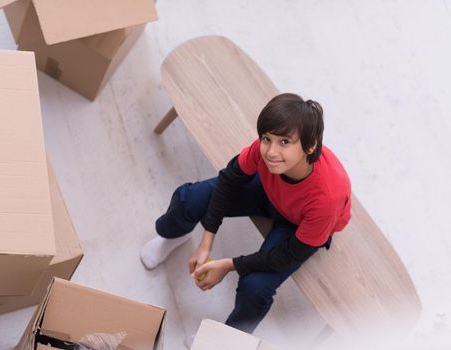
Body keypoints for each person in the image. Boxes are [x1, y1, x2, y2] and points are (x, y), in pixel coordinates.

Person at [140, 92, 351, 335]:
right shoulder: (268, 155)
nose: (271, 151)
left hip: (298, 225)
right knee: (189, 197)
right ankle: (175, 235)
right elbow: (229, 180)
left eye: (285, 142)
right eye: (266, 138)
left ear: (310, 145)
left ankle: (226, 339)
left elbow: (290, 254)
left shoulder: (327, 198)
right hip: (269, 192)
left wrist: (229, 265)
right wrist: (207, 241)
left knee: (255, 288)